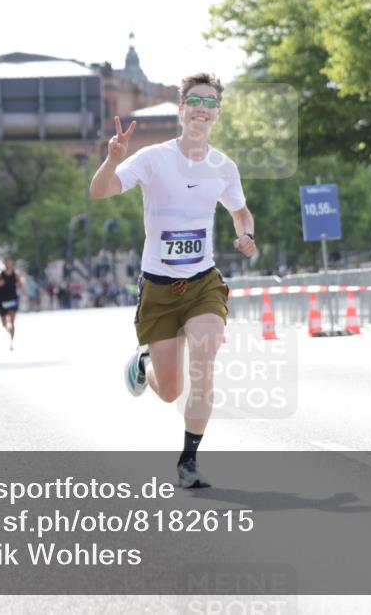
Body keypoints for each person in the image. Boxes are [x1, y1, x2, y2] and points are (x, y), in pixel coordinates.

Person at [89, 72, 257, 489]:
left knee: (204, 366)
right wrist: (112, 158)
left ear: (217, 113)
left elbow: (240, 212)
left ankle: (188, 461)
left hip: (203, 283)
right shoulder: (152, 158)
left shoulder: (224, 167)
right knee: (169, 390)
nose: (202, 108)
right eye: (195, 101)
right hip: (159, 287)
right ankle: (145, 361)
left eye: (210, 102)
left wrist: (245, 234)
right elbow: (100, 191)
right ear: (182, 109)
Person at [0, 256, 22, 350]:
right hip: (2, 300)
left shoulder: (16, 274)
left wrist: (20, 284)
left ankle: (11, 342)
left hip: (13, 299)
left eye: (9, 261)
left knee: (12, 321)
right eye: (6, 261)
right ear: (3, 263)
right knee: (4, 323)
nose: (8, 263)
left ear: (12, 262)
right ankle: (8, 330)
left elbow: (21, 285)